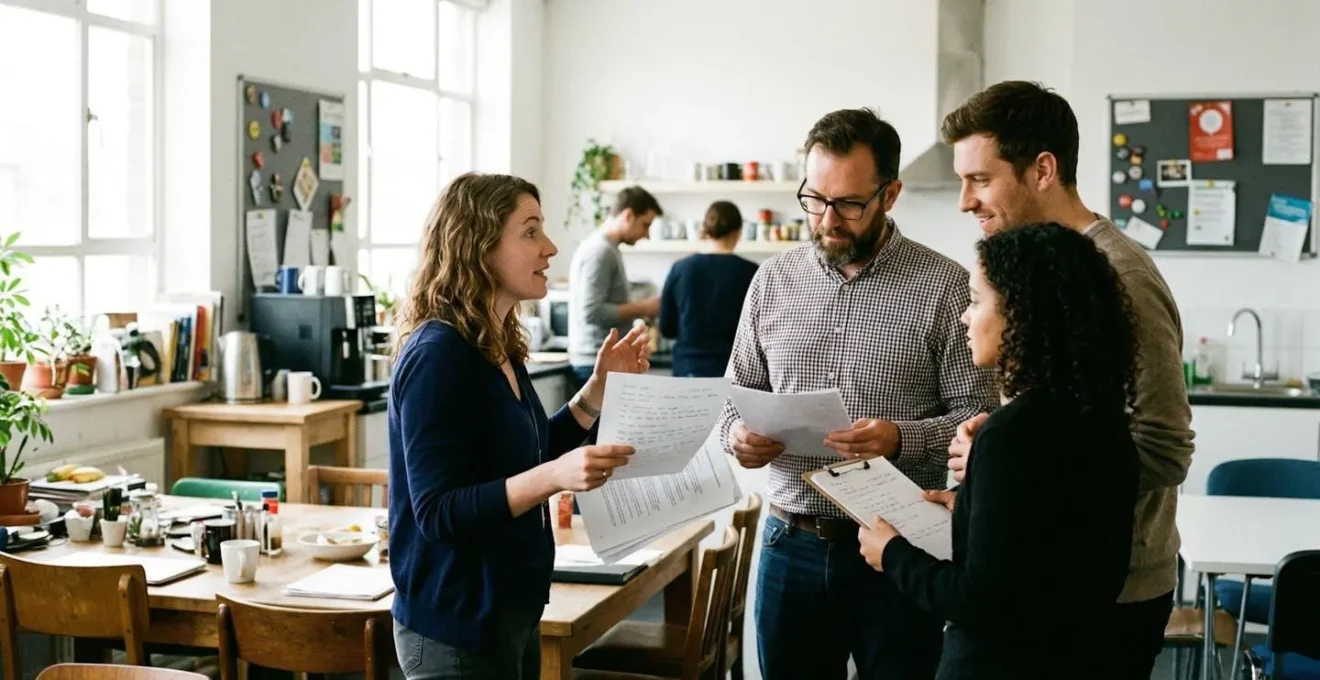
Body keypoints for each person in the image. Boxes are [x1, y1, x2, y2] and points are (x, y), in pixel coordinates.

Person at [715, 108, 999, 680]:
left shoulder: (945, 286)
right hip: (789, 542)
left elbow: (981, 417)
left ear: (889, 194)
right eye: (815, 199)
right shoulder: (771, 281)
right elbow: (732, 398)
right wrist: (737, 436)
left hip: (901, 550)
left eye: (848, 204)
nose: (827, 220)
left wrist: (900, 438)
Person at [939, 80, 1194, 679]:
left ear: (1043, 170)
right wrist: (1003, 446)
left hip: (1110, 596)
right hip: (1052, 585)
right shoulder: (1039, 266)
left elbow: (1163, 447)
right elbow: (1070, 421)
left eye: (980, 179)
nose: (965, 202)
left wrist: (1018, 467)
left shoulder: (1118, 275)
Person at [388, 173, 653, 680]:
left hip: (511, 611)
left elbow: (530, 452)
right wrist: (555, 477)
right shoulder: (437, 355)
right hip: (457, 625)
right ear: (478, 245)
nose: (550, 248)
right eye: (530, 232)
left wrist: (596, 391)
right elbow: (438, 513)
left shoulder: (496, 344)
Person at [858, 224, 1141, 679]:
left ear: (1022, 314)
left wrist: (891, 553)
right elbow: (1046, 540)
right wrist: (970, 504)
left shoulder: (1009, 434)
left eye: (975, 301)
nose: (964, 318)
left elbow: (979, 601)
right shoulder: (1101, 417)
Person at [568, 185, 664, 387]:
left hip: (598, 360)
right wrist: (642, 307)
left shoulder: (607, 249)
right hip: (594, 362)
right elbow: (591, 312)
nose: (647, 235)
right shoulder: (601, 251)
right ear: (628, 215)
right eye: (645, 225)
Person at [658, 200, 759, 377]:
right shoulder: (752, 272)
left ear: (705, 230)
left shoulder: (680, 268)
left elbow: (667, 327)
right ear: (738, 232)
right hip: (734, 371)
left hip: (688, 368)